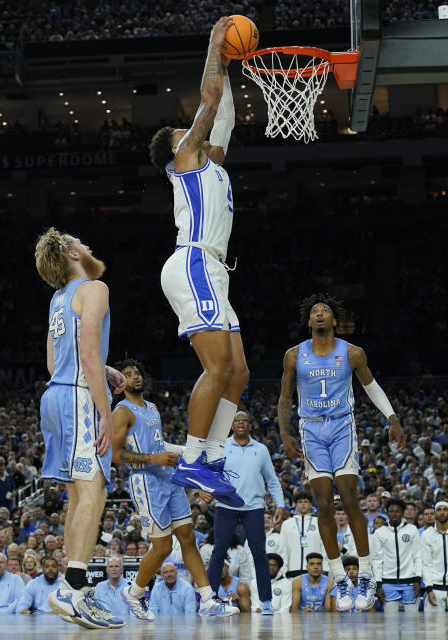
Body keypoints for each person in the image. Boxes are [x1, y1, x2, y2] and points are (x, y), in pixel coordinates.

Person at [147, 17, 247, 507]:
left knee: (240, 371)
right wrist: (213, 43)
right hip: (192, 264)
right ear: (174, 146)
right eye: (185, 130)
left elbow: (222, 110)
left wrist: (227, 65)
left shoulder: (212, 162)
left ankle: (212, 453)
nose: (196, 129)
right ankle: (193, 457)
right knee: (218, 364)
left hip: (213, 272)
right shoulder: (184, 157)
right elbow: (208, 102)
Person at [277, 294, 404, 612]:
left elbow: (371, 387)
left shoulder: (352, 352)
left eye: (326, 311)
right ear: (309, 321)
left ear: (334, 320)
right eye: (315, 312)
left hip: (342, 426)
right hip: (310, 429)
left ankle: (367, 573)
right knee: (322, 503)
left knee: (348, 496)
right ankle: (340, 576)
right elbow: (283, 397)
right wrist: (284, 432)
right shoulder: (294, 355)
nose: (320, 314)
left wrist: (392, 418)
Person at [34, 227, 126, 630]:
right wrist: (106, 411)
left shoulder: (57, 299)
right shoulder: (94, 288)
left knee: (77, 494)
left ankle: (78, 593)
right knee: (94, 489)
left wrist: (101, 368)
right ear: (72, 253)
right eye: (82, 242)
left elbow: (56, 363)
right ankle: (72, 588)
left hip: (55, 394)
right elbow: (87, 350)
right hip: (76, 399)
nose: (90, 245)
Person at [109, 359, 237, 620]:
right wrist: (152, 459)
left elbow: (158, 443)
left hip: (169, 477)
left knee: (188, 537)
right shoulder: (122, 411)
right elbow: (114, 454)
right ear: (118, 386)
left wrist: (183, 452)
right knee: (163, 547)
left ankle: (208, 599)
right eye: (127, 375)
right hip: (146, 481)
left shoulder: (152, 408)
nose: (135, 377)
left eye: (136, 372)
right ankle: (134, 593)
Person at [203, 411, 288, 615]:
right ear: (232, 425)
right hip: (226, 505)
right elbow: (207, 472)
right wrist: (203, 488)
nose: (241, 423)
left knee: (259, 553)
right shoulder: (221, 446)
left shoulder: (261, 450)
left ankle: (266, 602)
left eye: (245, 421)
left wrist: (280, 504)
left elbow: (272, 479)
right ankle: (209, 600)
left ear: (250, 425)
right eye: (237, 420)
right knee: (218, 552)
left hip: (253, 507)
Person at [372, 499, 422, 614]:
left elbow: (417, 556)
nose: (394, 514)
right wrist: (378, 584)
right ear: (387, 512)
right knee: (391, 625)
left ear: (403, 512)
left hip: (410, 582)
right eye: (391, 511)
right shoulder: (379, 532)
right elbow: (377, 560)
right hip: (388, 582)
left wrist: (418, 579)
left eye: (398, 511)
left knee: (412, 623)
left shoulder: (412, 529)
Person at [278, 490, 324, 579]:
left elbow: (323, 547)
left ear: (310, 504)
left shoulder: (318, 523)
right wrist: (283, 571)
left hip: (315, 571)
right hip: (292, 571)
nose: (303, 504)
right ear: (296, 505)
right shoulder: (287, 524)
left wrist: (324, 568)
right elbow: (282, 549)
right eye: (300, 502)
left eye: (306, 502)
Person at [93, 556, 131, 622]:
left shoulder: (130, 586)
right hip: (105, 625)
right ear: (107, 570)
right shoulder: (99, 587)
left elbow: (135, 612)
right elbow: (96, 611)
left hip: (126, 626)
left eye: (116, 566)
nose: (114, 569)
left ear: (122, 569)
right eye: (111, 566)